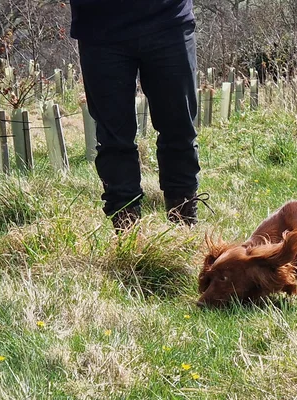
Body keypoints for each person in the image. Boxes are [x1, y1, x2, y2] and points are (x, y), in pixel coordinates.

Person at [69, 0, 204, 230]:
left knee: (179, 129)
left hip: (168, 19)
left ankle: (184, 230)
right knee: (113, 140)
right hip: (99, 26)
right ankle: (127, 237)